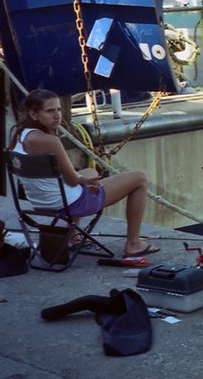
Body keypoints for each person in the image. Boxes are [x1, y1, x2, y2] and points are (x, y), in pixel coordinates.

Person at [9, 88, 158, 258]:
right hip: (67, 205)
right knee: (139, 178)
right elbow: (72, 180)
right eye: (50, 111)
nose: (57, 115)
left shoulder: (19, 134)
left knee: (90, 171)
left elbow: (70, 177)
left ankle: (73, 236)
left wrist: (84, 179)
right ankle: (133, 244)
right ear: (34, 114)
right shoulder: (50, 140)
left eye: (58, 109)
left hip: (40, 203)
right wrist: (85, 182)